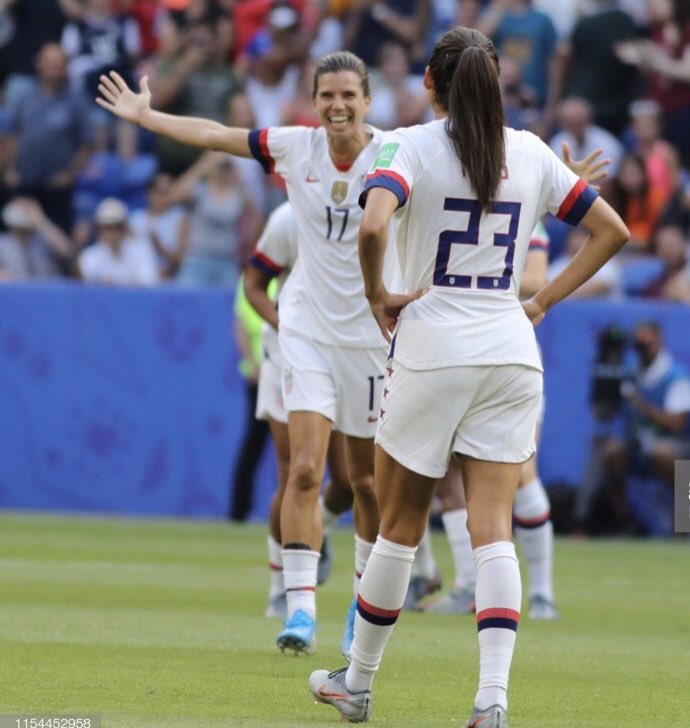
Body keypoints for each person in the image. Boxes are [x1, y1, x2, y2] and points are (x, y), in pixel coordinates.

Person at [307, 26, 628, 727]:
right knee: (492, 531)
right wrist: (540, 301)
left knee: (399, 525)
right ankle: (492, 702)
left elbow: (371, 229)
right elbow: (614, 231)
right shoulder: (533, 152)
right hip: (511, 349)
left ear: (429, 81)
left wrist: (376, 295)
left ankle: (357, 684)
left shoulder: (407, 145)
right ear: (497, 86)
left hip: (433, 345)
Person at [96, 50, 403, 656]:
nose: (338, 106)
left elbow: (470, 164)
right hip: (307, 332)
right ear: (312, 103)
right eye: (327, 96)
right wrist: (148, 117)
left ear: (367, 101)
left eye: (349, 95)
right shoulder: (295, 147)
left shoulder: (397, 151)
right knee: (305, 471)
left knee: (365, 483)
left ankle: (361, 614)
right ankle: (299, 614)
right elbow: (214, 134)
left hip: (371, 341)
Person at [243, 201, 354, 615]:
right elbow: (253, 283)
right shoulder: (290, 217)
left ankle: (314, 531)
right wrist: (285, 326)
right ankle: (282, 586)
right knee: (297, 472)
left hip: (349, 355)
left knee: (348, 481)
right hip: (291, 357)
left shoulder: (374, 208)